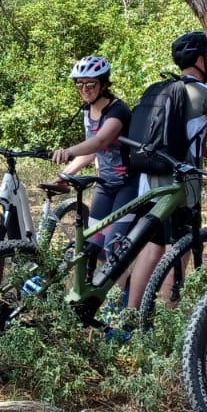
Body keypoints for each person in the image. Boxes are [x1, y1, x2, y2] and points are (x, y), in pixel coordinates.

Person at [126, 30, 207, 302]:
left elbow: (179, 140)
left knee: (153, 247)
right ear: (200, 60)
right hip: (180, 185)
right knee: (178, 250)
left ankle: (130, 316)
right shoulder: (203, 92)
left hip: (148, 178)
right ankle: (166, 324)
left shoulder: (164, 89)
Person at [50, 55, 135, 267]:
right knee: (92, 246)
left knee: (113, 247)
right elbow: (91, 152)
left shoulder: (118, 110)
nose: (84, 89)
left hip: (128, 185)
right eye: (79, 84)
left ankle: (125, 299)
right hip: (104, 184)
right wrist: (65, 175)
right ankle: (108, 292)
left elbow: (101, 141)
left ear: (104, 84)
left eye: (90, 84)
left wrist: (67, 151)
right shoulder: (88, 110)